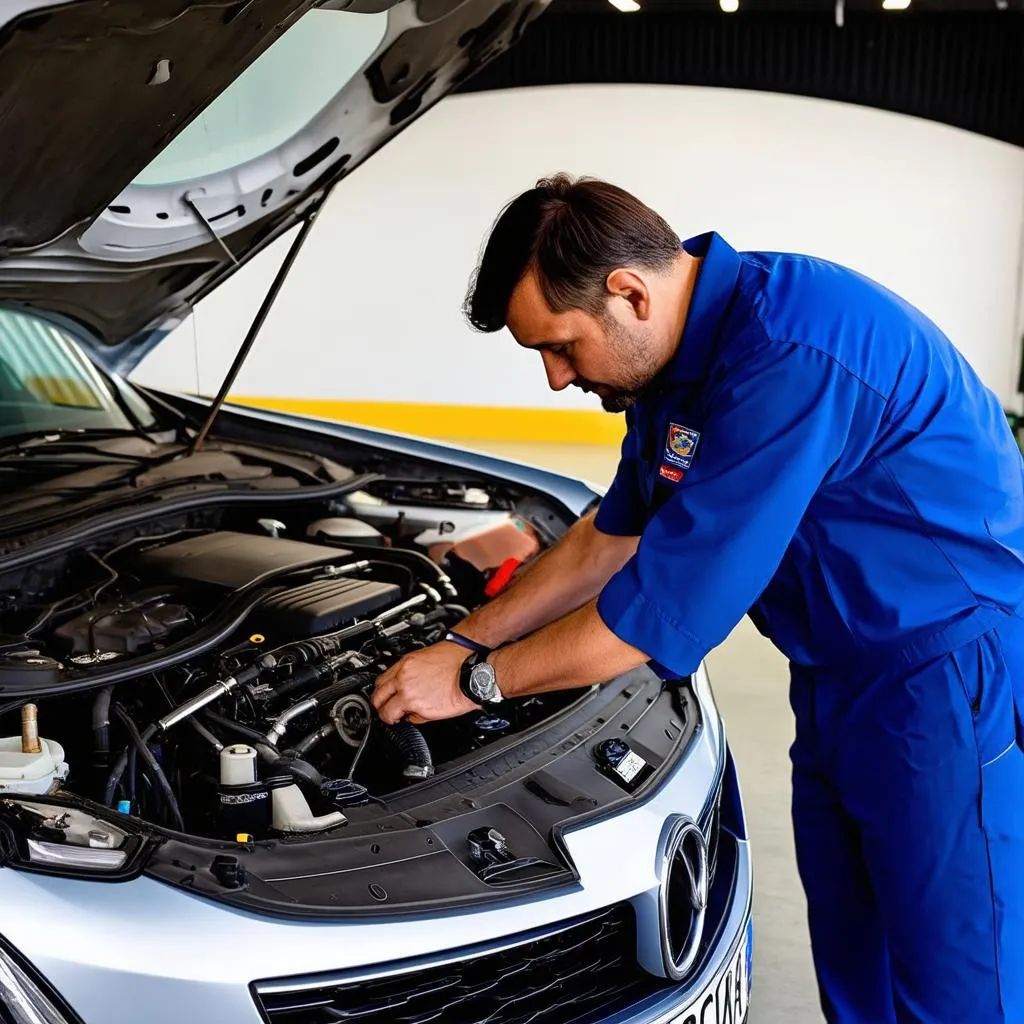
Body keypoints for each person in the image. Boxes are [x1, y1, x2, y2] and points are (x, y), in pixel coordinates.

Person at [370, 173, 1024, 1022]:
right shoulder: (675, 367)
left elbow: (643, 623)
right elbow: (611, 537)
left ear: (629, 293)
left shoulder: (790, 350)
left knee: (956, 979)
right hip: (836, 675)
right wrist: (465, 640)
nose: (556, 380)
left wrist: (475, 685)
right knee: (857, 962)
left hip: (942, 671)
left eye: (560, 347)